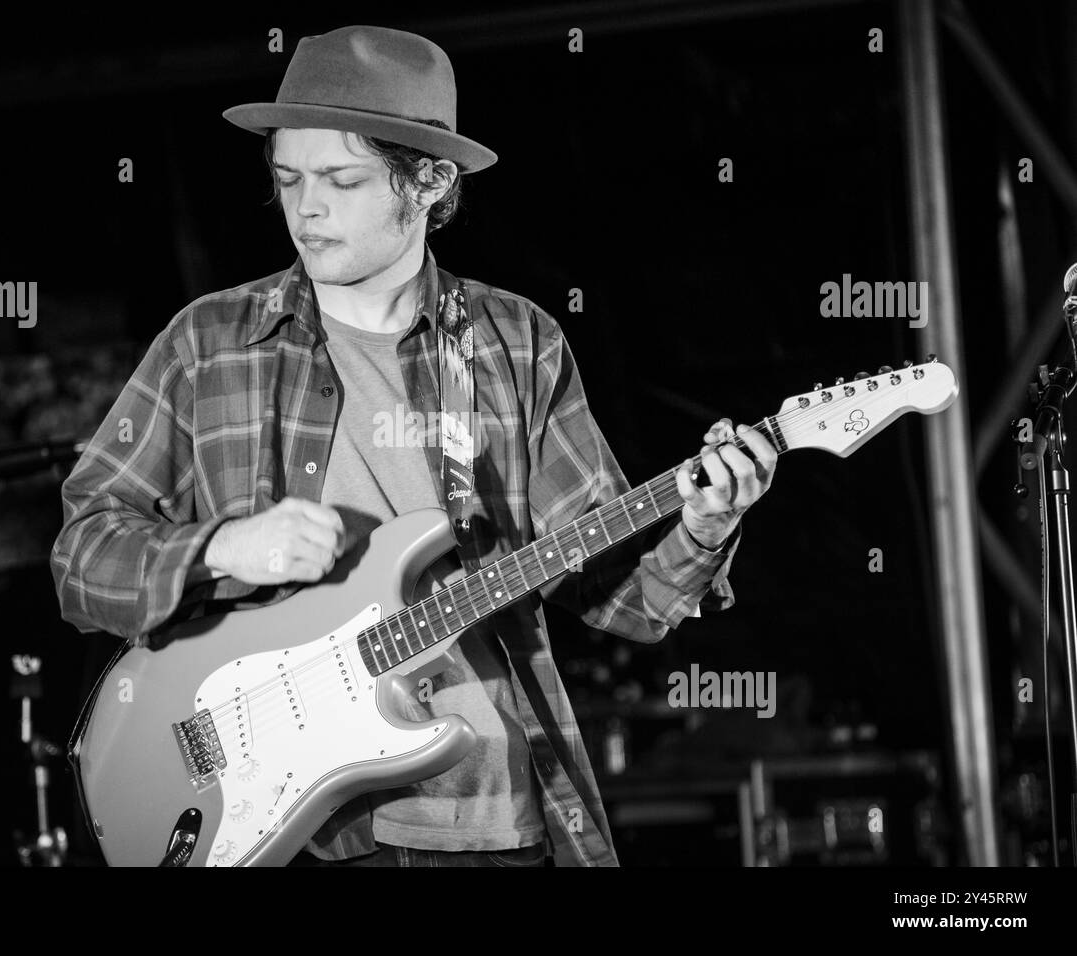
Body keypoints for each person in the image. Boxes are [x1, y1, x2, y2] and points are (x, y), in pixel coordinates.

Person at [50, 25, 777, 867]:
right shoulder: (209, 343)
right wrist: (220, 547)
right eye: (287, 178)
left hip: (497, 819)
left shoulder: (519, 343)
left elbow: (623, 599)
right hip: (298, 833)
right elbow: (80, 558)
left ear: (430, 183)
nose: (305, 207)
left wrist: (706, 527)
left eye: (342, 180)